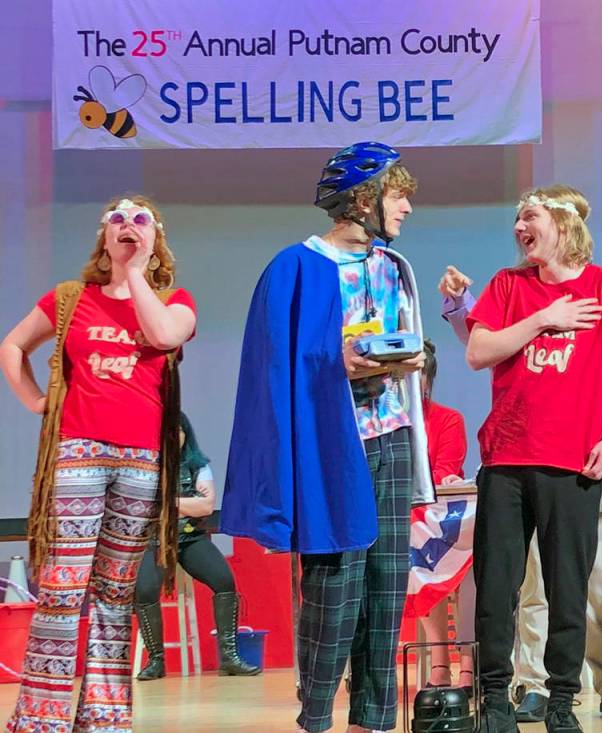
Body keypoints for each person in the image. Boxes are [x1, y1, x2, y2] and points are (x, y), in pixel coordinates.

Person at [220, 141, 433, 733]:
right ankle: (315, 716)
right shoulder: (295, 266)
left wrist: (407, 358)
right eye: (399, 195)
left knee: (388, 586)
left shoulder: (393, 268)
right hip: (331, 446)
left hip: (389, 435)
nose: (408, 208)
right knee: (335, 587)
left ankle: (373, 719)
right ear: (363, 199)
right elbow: (271, 367)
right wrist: (333, 360)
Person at [0, 195, 196, 732]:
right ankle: (42, 715)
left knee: (115, 589)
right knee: (64, 586)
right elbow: (12, 346)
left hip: (140, 461)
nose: (127, 227)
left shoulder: (174, 300)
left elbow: (163, 336)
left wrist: (136, 273)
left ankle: (105, 715)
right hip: (78, 453)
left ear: (156, 239)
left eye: (140, 222)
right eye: (118, 220)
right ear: (101, 236)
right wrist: (38, 402)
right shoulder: (69, 299)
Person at [463, 186, 602, 733]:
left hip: (575, 462)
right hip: (506, 458)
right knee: (498, 588)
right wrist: (545, 319)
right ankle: (495, 699)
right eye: (517, 218)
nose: (521, 227)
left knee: (570, 589)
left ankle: (563, 701)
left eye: (531, 217)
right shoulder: (507, 285)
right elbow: (478, 352)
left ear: (563, 225)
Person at [134, 412, 260, 680]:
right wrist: (184, 503)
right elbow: (143, 507)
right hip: (153, 541)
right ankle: (156, 661)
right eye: (168, 431)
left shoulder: (198, 465)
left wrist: (166, 501)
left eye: (179, 431)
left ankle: (230, 657)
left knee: (224, 580)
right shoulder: (143, 466)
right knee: (144, 590)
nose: (174, 437)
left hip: (189, 538)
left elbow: (205, 506)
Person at [410, 339, 474, 690]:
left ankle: (466, 660)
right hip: (409, 518)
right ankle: (438, 658)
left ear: (428, 379)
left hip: (446, 514)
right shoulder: (387, 424)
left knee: (466, 556)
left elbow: (445, 471)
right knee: (417, 549)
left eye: (419, 374)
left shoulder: (449, 419)